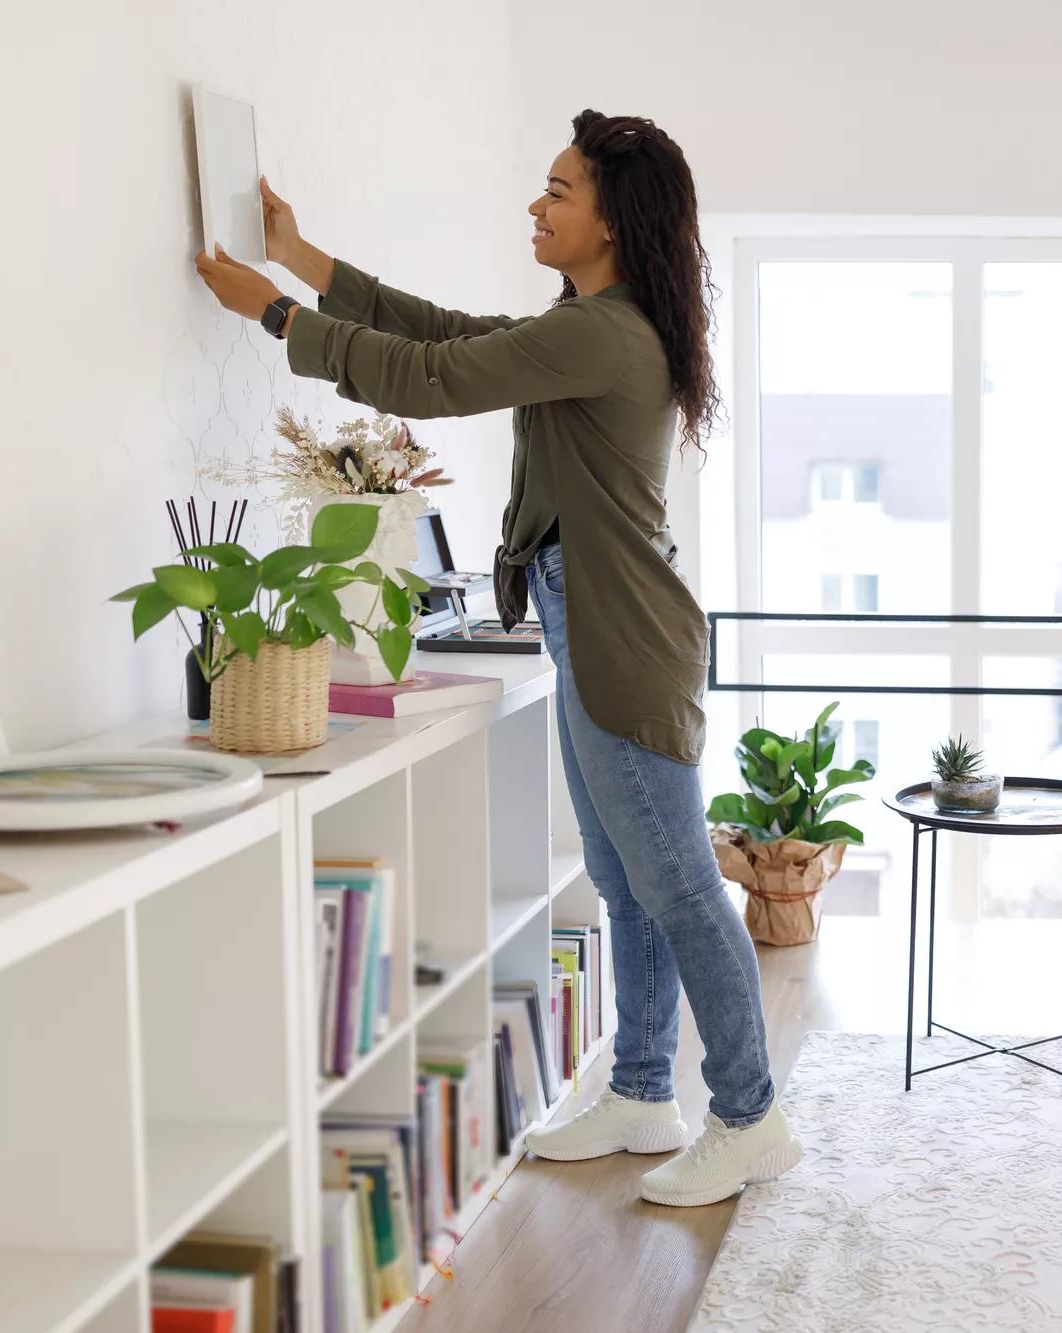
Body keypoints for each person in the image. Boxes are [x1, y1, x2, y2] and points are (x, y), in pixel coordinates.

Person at [195, 110, 800, 1208]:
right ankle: (640, 1090)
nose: (537, 203)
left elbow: (429, 380)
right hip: (594, 624)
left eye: (559, 190)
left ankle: (751, 1115)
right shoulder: (592, 325)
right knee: (624, 881)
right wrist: (304, 260)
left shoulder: (608, 335)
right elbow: (448, 335)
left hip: (621, 640)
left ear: (612, 223)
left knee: (677, 889)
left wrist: (277, 316)